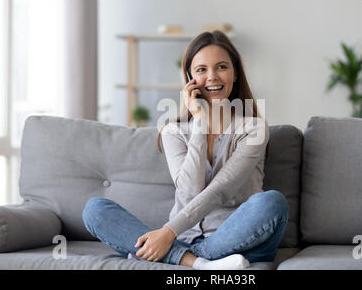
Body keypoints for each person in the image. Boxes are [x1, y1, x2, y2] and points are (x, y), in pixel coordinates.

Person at [82, 31, 289, 270]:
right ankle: (198, 263)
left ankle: (171, 256)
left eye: (221, 67)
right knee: (95, 210)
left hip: (237, 241)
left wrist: (167, 234)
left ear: (234, 74)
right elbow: (190, 190)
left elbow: (221, 190)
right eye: (201, 70)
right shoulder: (174, 131)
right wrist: (200, 122)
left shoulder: (253, 128)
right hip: (186, 237)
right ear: (189, 78)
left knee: (272, 202)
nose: (212, 77)